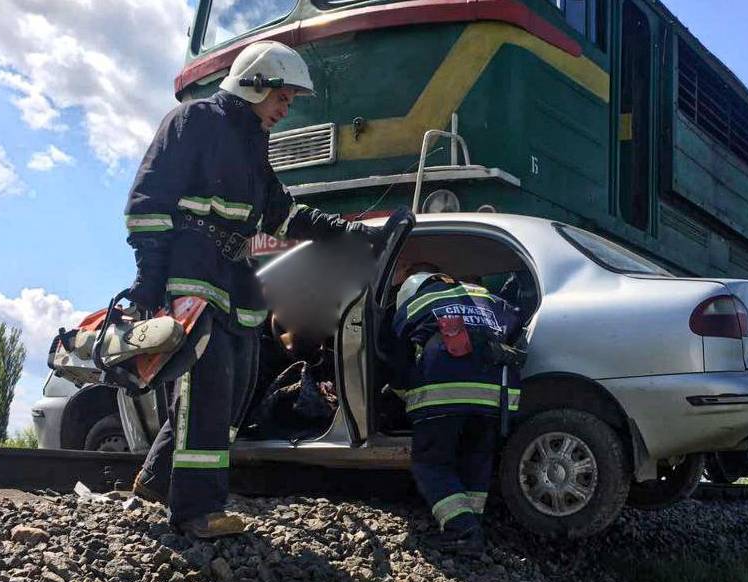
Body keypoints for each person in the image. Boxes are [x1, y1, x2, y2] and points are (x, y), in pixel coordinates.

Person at [125, 40, 386, 538]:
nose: (286, 109)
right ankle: (196, 511)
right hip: (191, 270)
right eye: (283, 97)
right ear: (255, 84)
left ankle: (159, 479)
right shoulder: (193, 121)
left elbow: (285, 215)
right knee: (209, 386)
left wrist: (352, 232)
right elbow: (146, 204)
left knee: (237, 386)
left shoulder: (252, 145)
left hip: (234, 277)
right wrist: (148, 279)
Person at [391, 269, 524, 554]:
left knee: (431, 463)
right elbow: (517, 328)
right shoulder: (487, 298)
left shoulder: (417, 303)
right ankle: (472, 524)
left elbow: (397, 350)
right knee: (475, 458)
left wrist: (402, 389)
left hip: (444, 394)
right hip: (496, 397)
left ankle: (461, 529)